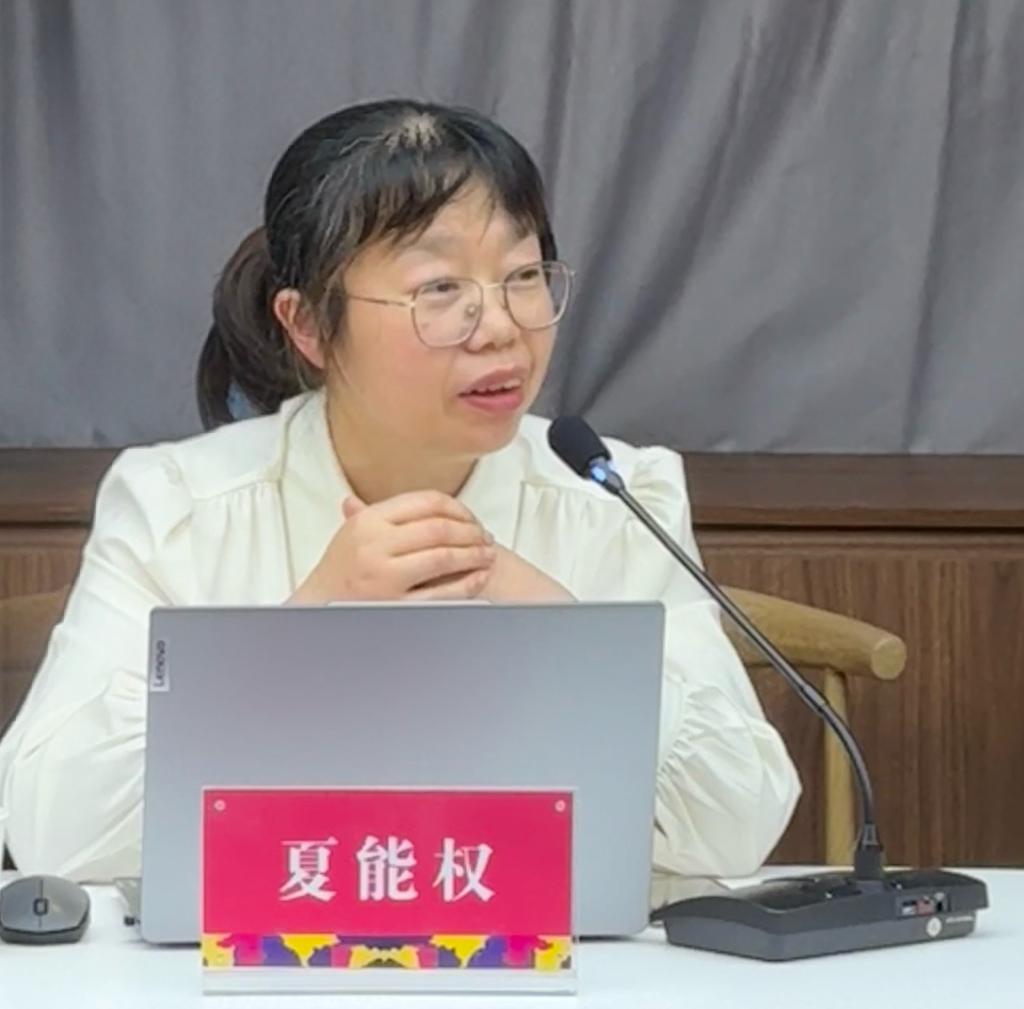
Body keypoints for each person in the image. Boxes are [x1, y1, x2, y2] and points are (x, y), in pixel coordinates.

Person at [0, 99, 800, 896]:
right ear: (309, 324)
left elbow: (740, 823)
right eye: (441, 288)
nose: (500, 328)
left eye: (523, 277)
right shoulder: (175, 507)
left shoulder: (614, 493)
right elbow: (54, 831)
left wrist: (562, 629)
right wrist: (307, 626)